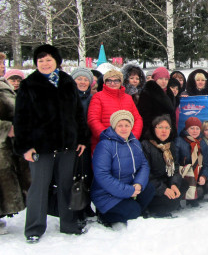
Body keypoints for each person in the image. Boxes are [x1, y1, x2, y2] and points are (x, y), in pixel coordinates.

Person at [14, 45, 88, 243]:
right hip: (40, 147)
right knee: (39, 186)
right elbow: (20, 119)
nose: (45, 64)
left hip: (67, 145)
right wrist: (25, 147)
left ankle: (69, 223)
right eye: (40, 61)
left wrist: (81, 139)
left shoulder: (66, 82)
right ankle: (34, 228)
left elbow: (78, 114)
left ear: (56, 61)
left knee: (66, 184)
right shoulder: (29, 85)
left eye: (48, 60)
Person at [91, 110, 154, 226]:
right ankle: (105, 216)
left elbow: (144, 165)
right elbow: (102, 175)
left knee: (149, 188)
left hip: (130, 188)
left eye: (127, 125)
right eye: (120, 125)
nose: (124, 128)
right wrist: (128, 190)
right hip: (107, 194)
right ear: (114, 126)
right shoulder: (105, 145)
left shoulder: (134, 142)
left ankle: (132, 210)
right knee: (134, 211)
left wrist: (138, 184)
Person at [0, 75, 30, 235]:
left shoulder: (4, 84)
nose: (1, 66)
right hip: (4, 139)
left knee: (6, 182)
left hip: (9, 143)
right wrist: (6, 127)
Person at [88, 69, 143, 153]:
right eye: (109, 81)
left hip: (127, 143)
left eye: (116, 81)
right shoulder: (98, 97)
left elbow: (137, 119)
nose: (112, 83)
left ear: (121, 82)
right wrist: (108, 136)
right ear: (104, 82)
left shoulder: (128, 98)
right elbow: (93, 120)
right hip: (105, 144)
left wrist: (133, 136)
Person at [141, 115, 182, 217]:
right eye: (160, 127)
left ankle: (166, 203)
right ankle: (152, 208)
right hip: (151, 187)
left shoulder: (170, 145)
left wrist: (174, 184)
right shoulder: (145, 145)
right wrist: (163, 189)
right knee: (173, 202)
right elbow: (146, 174)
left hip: (165, 182)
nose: (164, 131)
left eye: (167, 128)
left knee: (183, 184)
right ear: (153, 128)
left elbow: (175, 168)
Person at [71, 67, 96, 220]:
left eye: (85, 79)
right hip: (73, 143)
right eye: (79, 79)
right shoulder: (67, 97)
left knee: (87, 174)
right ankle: (75, 207)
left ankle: (86, 205)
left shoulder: (92, 98)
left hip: (88, 142)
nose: (82, 82)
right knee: (74, 176)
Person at [175, 117, 208, 207]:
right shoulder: (179, 141)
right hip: (182, 175)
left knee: (202, 191)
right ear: (186, 129)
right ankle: (178, 199)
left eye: (197, 128)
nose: (195, 131)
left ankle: (192, 198)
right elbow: (175, 162)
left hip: (196, 176)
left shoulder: (202, 143)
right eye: (192, 128)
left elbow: (206, 164)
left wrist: (203, 176)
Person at [137, 67, 176, 140]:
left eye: (166, 79)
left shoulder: (169, 93)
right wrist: (149, 134)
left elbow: (173, 116)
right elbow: (144, 116)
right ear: (155, 79)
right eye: (161, 79)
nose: (164, 81)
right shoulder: (147, 92)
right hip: (153, 134)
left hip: (167, 133)